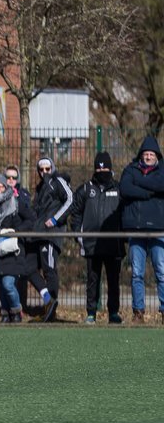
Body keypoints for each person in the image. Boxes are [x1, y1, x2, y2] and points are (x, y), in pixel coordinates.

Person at [69, 151, 125, 324]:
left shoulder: (118, 189)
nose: (102, 172)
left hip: (113, 244)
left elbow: (125, 214)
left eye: (105, 168)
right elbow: (75, 213)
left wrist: (123, 235)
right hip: (91, 244)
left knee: (113, 281)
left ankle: (113, 313)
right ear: (95, 169)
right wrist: (79, 235)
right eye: (99, 169)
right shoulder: (86, 189)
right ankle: (91, 313)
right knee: (92, 280)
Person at [0, 172, 38, 323]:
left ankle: (17, 310)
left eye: (0, 187)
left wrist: (15, 231)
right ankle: (6, 313)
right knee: (1, 285)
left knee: (8, 284)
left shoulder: (16, 202)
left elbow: (31, 219)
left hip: (13, 250)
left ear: (5, 187)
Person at [118, 136, 164, 323]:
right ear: (141, 155)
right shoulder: (130, 169)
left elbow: (161, 185)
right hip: (135, 228)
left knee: (161, 271)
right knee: (137, 273)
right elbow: (125, 188)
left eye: (151, 154)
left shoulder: (162, 170)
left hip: (159, 229)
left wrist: (139, 182)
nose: (148, 157)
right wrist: (149, 193)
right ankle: (138, 312)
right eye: (145, 154)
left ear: (157, 156)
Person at [26, 156, 74, 322]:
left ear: (52, 168)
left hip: (51, 234)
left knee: (49, 270)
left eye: (47, 169)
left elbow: (70, 200)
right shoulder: (40, 188)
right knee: (29, 268)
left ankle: (51, 311)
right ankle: (48, 300)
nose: (44, 172)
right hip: (38, 234)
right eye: (41, 169)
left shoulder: (58, 181)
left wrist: (55, 219)